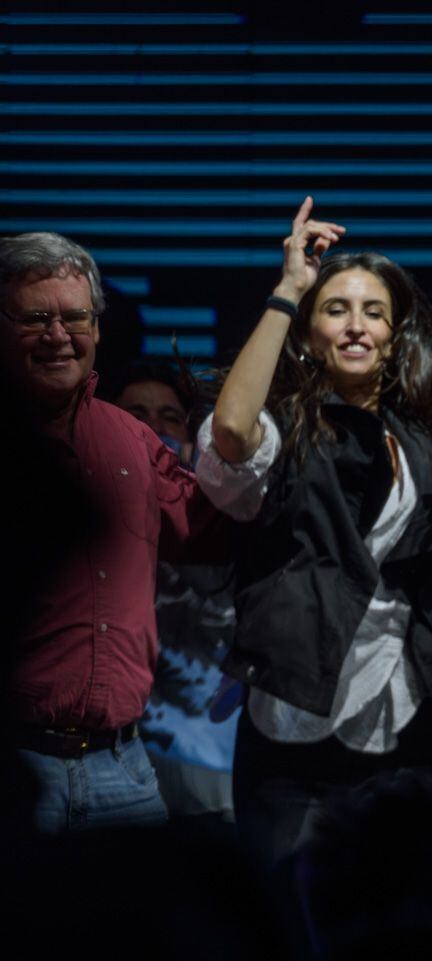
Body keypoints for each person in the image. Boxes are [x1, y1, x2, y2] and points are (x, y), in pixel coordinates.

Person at [197, 200, 432, 862]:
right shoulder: (282, 432)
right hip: (294, 724)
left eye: (373, 312)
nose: (356, 327)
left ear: (395, 333)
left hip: (402, 718)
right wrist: (290, 289)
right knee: (290, 930)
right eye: (337, 310)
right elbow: (233, 431)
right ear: (310, 332)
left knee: (412, 925)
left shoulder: (429, 442)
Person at [2, 232, 226, 832]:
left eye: (75, 317)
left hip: (124, 769)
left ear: (98, 330)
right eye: (35, 318)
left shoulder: (132, 438)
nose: (58, 336)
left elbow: (213, 527)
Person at [104, 362, 241, 824]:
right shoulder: (84, 522)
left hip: (216, 764)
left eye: (170, 416)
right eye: (136, 412)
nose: (153, 427)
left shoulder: (225, 518)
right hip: (120, 763)